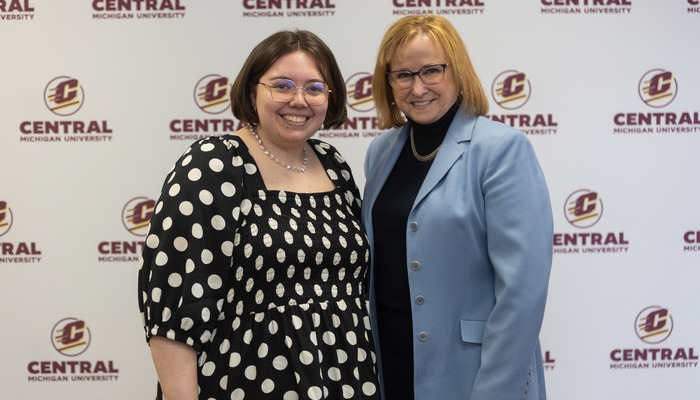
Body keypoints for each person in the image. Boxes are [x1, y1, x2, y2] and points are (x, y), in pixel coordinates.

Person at [138, 29, 380, 400]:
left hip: (345, 380)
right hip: (246, 382)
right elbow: (174, 311)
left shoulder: (335, 167)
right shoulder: (213, 165)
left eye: (315, 88)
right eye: (282, 86)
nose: (299, 100)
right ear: (253, 91)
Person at [362, 15, 553, 400]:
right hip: (392, 367)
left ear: (458, 71)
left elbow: (522, 291)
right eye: (403, 75)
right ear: (389, 83)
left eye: (432, 70)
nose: (418, 88)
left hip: (474, 374)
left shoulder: (500, 150)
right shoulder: (381, 152)